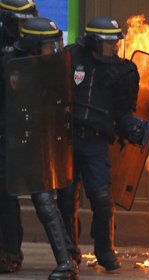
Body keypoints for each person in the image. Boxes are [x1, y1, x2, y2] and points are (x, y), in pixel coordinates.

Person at [57, 16, 149, 271]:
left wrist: (134, 128)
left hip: (96, 142)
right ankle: (69, 252)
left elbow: (123, 111)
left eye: (116, 41)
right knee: (65, 199)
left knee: (101, 198)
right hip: (66, 139)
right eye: (110, 42)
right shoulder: (69, 58)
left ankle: (105, 250)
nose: (116, 46)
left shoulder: (123, 71)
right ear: (95, 41)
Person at [2, 17, 78, 279]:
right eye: (48, 45)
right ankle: (9, 254)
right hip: (8, 142)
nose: (53, 50)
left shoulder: (50, 67)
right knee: (4, 200)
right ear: (33, 45)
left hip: (35, 141)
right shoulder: (6, 62)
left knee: (45, 202)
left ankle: (66, 261)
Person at [0, 0, 38, 273]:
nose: (24, 26)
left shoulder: (33, 45)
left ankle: (11, 251)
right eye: (20, 21)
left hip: (19, 132)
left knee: (7, 195)